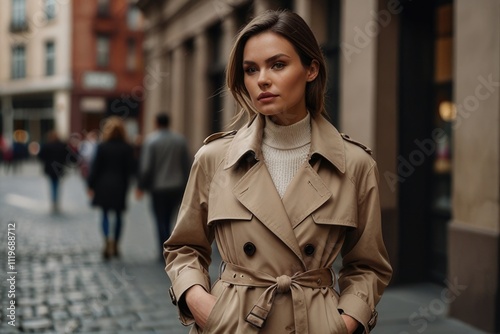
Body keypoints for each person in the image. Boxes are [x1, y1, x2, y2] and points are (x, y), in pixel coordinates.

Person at [164, 10, 393, 334]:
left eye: (278, 65)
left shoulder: (353, 164)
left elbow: (367, 266)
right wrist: (202, 305)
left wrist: (344, 323)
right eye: (250, 69)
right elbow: (184, 248)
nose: (262, 80)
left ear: (311, 69)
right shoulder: (215, 159)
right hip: (233, 324)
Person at [136, 113, 190, 259]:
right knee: (172, 217)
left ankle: (165, 249)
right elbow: (187, 164)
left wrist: (141, 186)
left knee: (160, 218)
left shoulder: (151, 141)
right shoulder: (180, 140)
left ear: (156, 123)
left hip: (158, 188)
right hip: (176, 186)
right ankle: (171, 246)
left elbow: (146, 167)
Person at [87, 117, 135, 259]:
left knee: (105, 214)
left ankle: (107, 239)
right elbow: (130, 169)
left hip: (103, 185)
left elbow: (95, 168)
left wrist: (90, 185)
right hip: (120, 185)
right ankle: (116, 244)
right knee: (119, 215)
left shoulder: (102, 147)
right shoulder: (127, 148)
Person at [38, 131, 68, 213]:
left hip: (50, 168)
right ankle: (55, 200)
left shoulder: (47, 145)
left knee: (53, 184)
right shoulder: (62, 145)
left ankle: (54, 201)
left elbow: (41, 155)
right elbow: (66, 156)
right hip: (58, 168)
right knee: (57, 184)